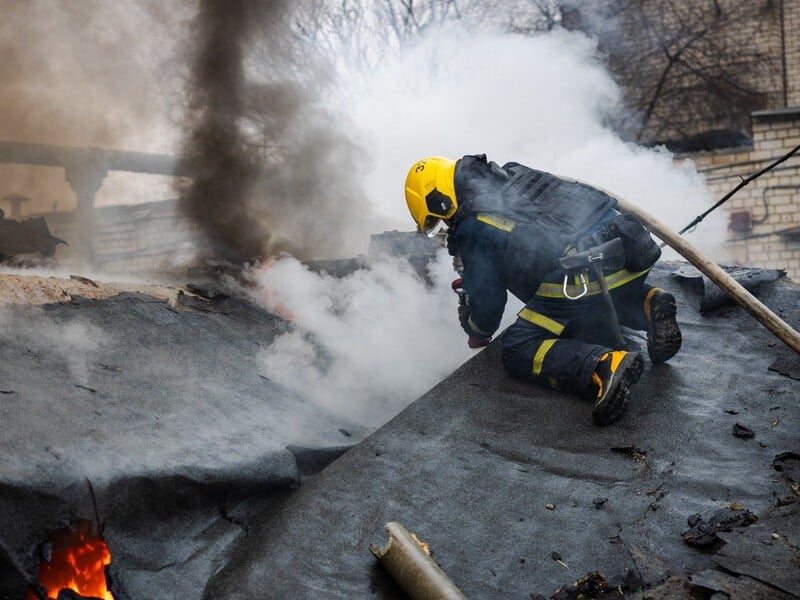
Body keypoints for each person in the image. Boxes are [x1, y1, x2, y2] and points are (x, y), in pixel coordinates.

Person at [404, 154, 682, 425]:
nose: (444, 228)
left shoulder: (472, 224)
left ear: (438, 198)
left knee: (518, 347)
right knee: (592, 305)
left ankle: (603, 364)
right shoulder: (512, 175)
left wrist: (475, 326)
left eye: (435, 220)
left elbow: (488, 305)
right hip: (628, 250)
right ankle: (648, 302)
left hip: (580, 272)